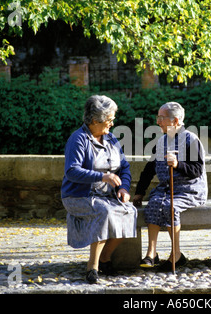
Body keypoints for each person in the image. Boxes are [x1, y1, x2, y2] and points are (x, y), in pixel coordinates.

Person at [61, 95, 137, 284]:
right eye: (109, 119)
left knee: (130, 211)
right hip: (78, 196)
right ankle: (92, 267)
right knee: (104, 213)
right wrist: (102, 176)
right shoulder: (78, 139)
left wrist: (124, 188)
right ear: (95, 120)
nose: (112, 123)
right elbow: (72, 171)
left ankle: (105, 258)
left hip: (107, 195)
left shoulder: (111, 138)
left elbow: (125, 167)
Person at [133, 102, 208, 272]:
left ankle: (177, 255)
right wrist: (139, 193)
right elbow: (149, 169)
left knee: (169, 206)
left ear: (174, 121)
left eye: (161, 118)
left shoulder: (191, 140)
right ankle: (151, 254)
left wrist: (177, 164)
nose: (158, 121)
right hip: (167, 189)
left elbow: (196, 170)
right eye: (158, 117)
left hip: (190, 190)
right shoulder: (162, 141)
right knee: (153, 204)